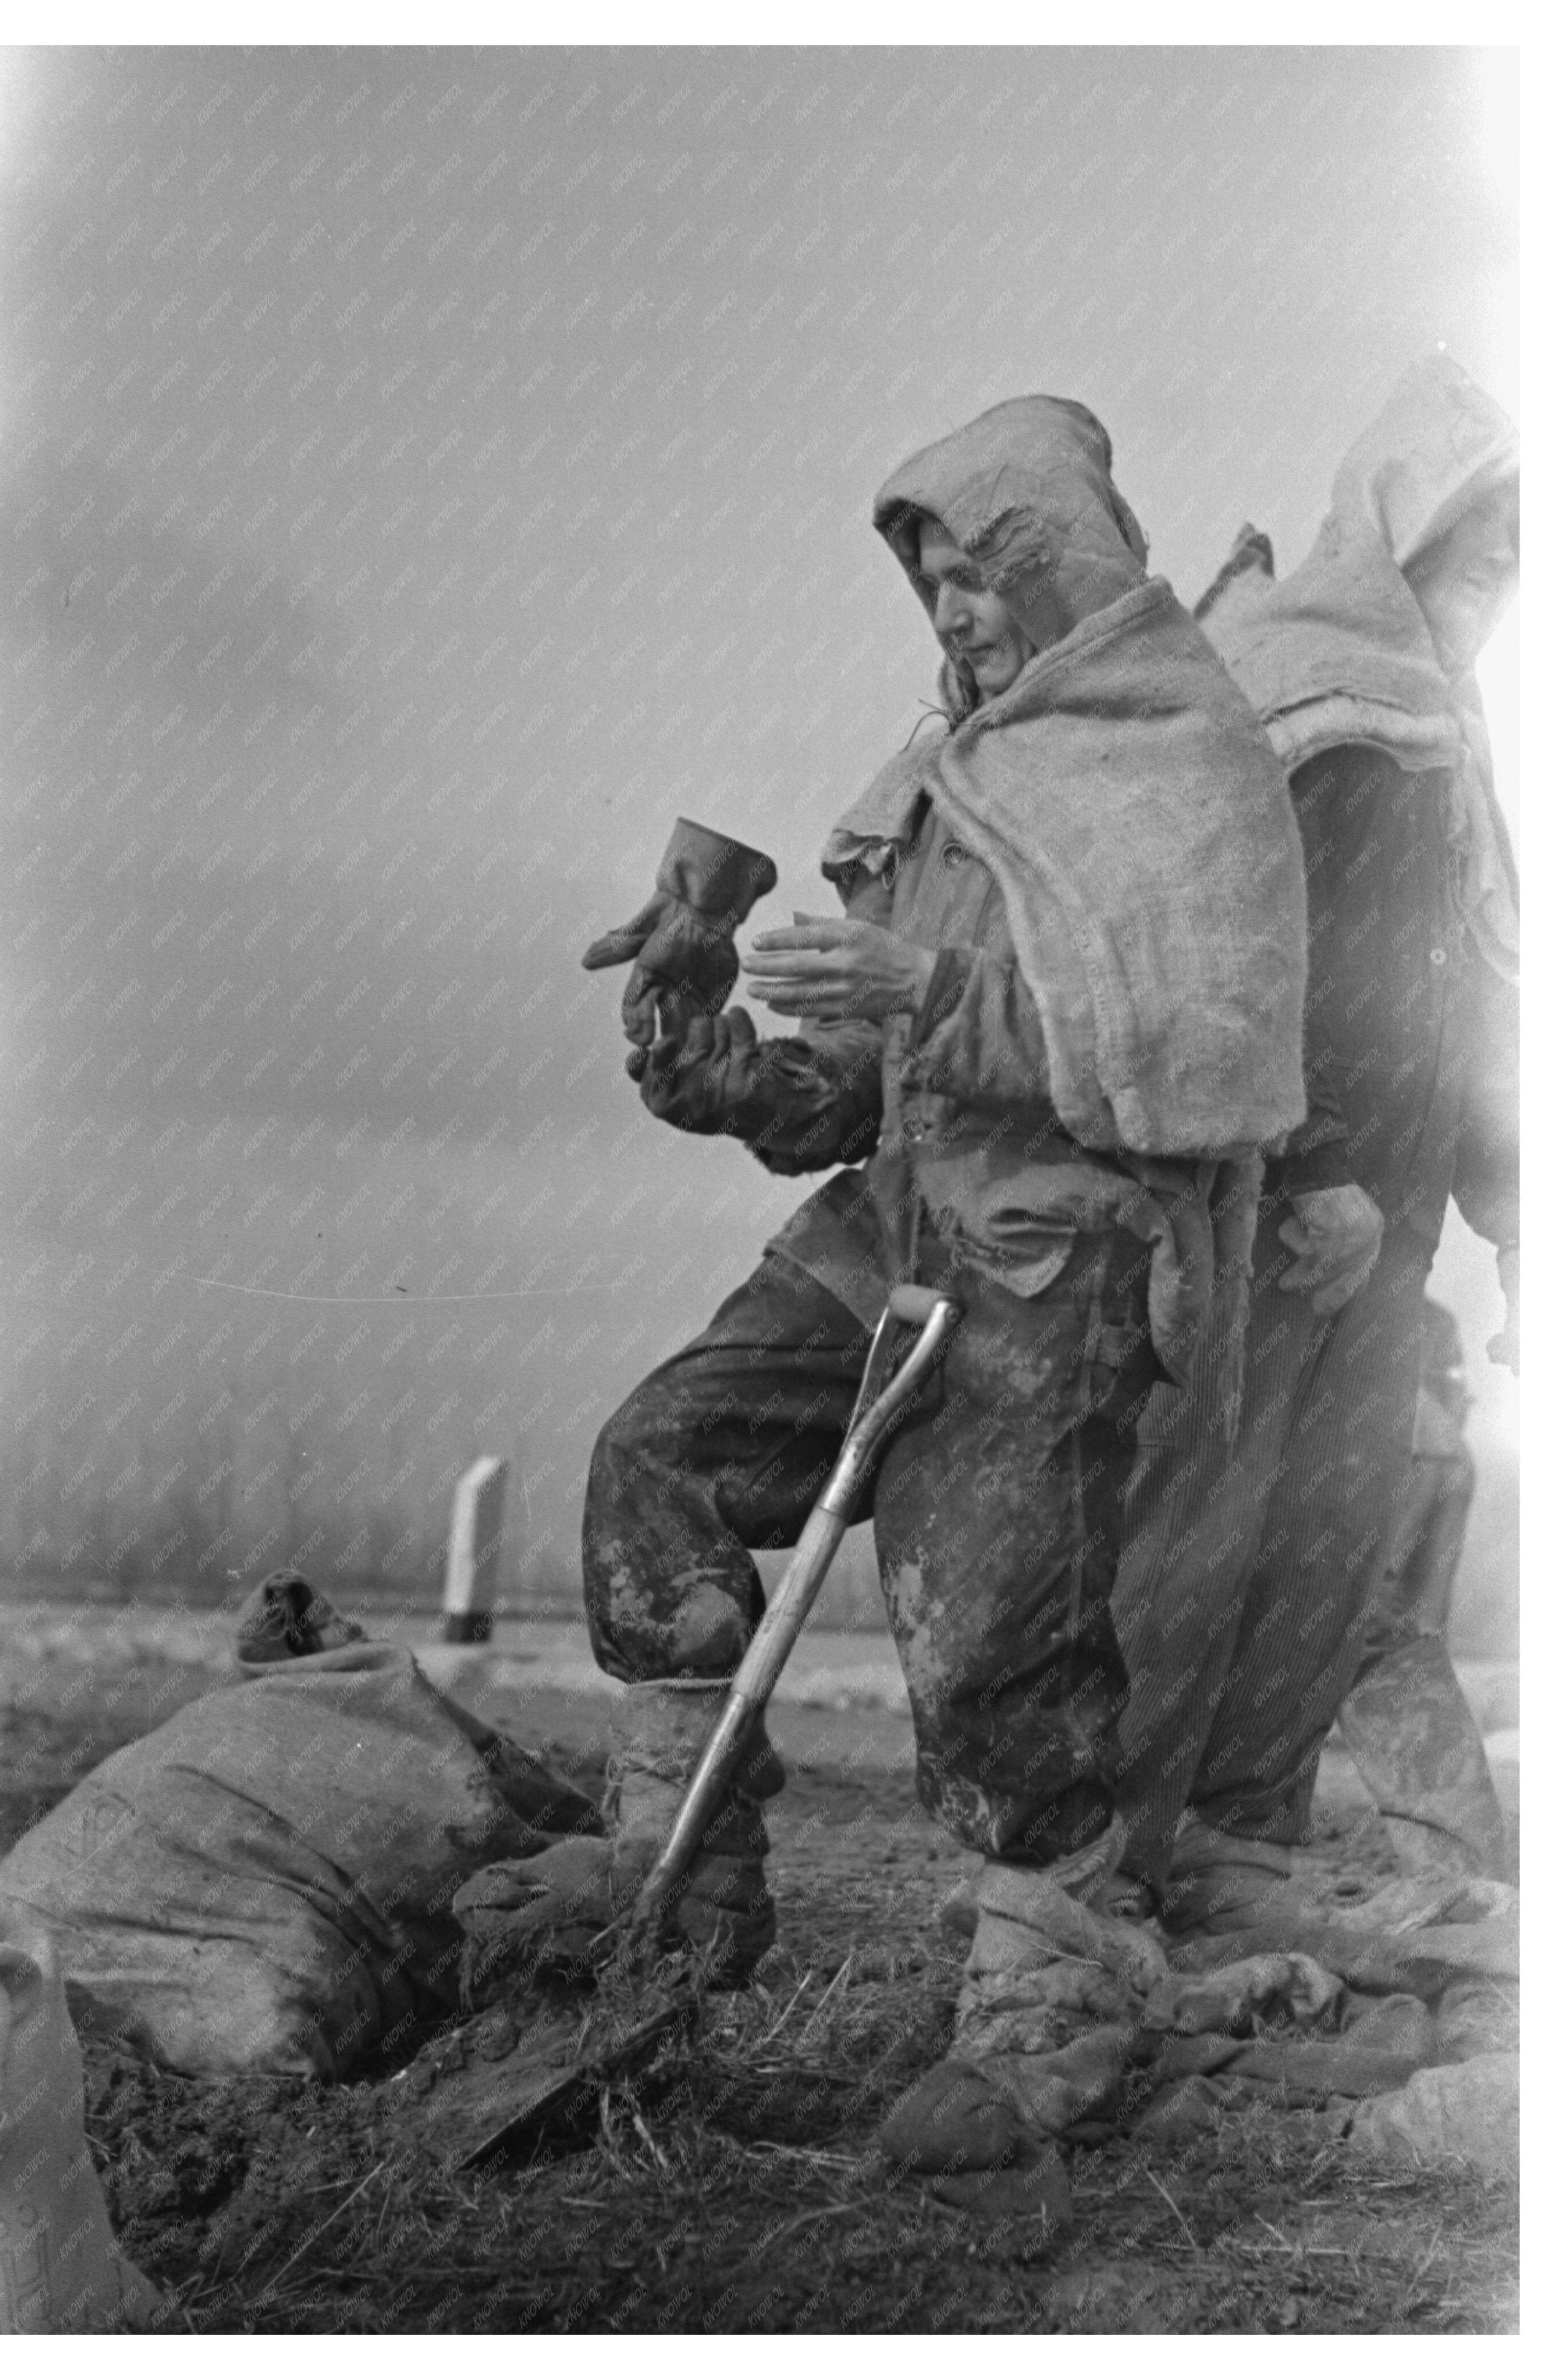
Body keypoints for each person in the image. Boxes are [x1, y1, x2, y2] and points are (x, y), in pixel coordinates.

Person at [474, 395, 1308, 2206]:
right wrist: (717, 1058)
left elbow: (1206, 1062)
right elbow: (863, 1090)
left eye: (978, 578)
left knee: (986, 1627)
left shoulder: (1187, 764)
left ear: (1057, 564)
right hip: (893, 1226)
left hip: (1061, 1252)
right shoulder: (947, 771)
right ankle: (680, 1879)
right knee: (656, 1456)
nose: (951, 615)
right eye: (928, 587)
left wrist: (927, 989)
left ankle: (1053, 1991)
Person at [1107, 355, 1518, 1935]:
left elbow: (1471, 1005)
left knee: (1324, 1549)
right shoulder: (1304, 694)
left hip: (1385, 1230)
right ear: (1401, 528)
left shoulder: (1450, 742)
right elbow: (1264, 952)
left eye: (1514, 541)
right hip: (1277, 1206)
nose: (1497, 565)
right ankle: (1100, 1876)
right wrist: (1319, 1163)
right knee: (1196, 1538)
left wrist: (1509, 1225)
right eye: (1475, 532)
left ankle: (1239, 1860)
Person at [1337, 1296, 1508, 1879]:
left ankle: (1458, 1864)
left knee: (1380, 1622)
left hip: (1410, 1452)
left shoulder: (1408, 1318)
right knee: (1401, 1630)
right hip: (1430, 1450)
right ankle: (1461, 1861)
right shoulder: (1427, 1317)